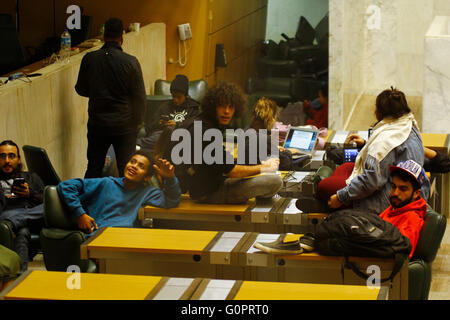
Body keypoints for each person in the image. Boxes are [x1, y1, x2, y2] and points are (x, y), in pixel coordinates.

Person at [308, 87, 429, 213]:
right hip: (397, 185)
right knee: (346, 167)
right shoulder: (408, 125)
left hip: (389, 198)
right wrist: (366, 144)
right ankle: (328, 200)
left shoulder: (385, 139)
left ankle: (329, 204)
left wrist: (341, 197)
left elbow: (372, 182)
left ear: (379, 112)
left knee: (323, 186)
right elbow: (390, 155)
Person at [172, 82, 283, 204]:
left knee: (258, 173)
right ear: (212, 106)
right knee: (275, 181)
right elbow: (232, 171)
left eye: (231, 107)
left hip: (210, 184)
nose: (226, 111)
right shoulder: (205, 130)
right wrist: (265, 167)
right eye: (222, 106)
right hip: (209, 194)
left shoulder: (201, 122)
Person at [75, 17, 146, 179]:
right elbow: (140, 98)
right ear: (122, 37)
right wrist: (138, 122)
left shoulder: (89, 59)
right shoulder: (131, 62)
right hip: (124, 125)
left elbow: (81, 89)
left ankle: (90, 202)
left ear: (103, 36)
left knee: (94, 167)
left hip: (98, 124)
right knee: (127, 170)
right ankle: (126, 203)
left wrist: (98, 92)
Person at [57, 150, 181, 236]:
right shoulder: (106, 183)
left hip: (129, 237)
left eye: (141, 166)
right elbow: (66, 186)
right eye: (132, 162)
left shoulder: (146, 192)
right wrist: (80, 214)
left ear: (147, 178)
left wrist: (170, 178)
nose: (134, 166)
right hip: (100, 237)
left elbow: (171, 201)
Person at [0, 140, 45, 273]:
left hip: (30, 217)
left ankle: (14, 221)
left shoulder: (31, 177)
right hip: (6, 217)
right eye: (2, 156)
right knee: (22, 232)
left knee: (50, 207)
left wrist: (30, 194)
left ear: (19, 160)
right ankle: (20, 278)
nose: (7, 160)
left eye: (11, 156)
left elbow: (46, 201)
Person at [137, 74, 200, 152]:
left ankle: (140, 146)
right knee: (161, 137)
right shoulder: (165, 106)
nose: (175, 100)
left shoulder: (193, 108)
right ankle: (141, 147)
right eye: (173, 96)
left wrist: (177, 125)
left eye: (179, 97)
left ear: (185, 95)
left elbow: (195, 128)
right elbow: (149, 127)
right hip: (162, 134)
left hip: (181, 136)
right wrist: (159, 123)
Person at [380, 160, 428, 259]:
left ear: (416, 193)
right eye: (393, 187)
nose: (395, 193)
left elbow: (401, 256)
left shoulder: (411, 219)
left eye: (403, 189)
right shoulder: (396, 208)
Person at [244, 97, 305, 170]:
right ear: (271, 118)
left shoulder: (247, 132)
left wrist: (275, 149)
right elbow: (285, 164)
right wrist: (289, 151)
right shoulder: (265, 138)